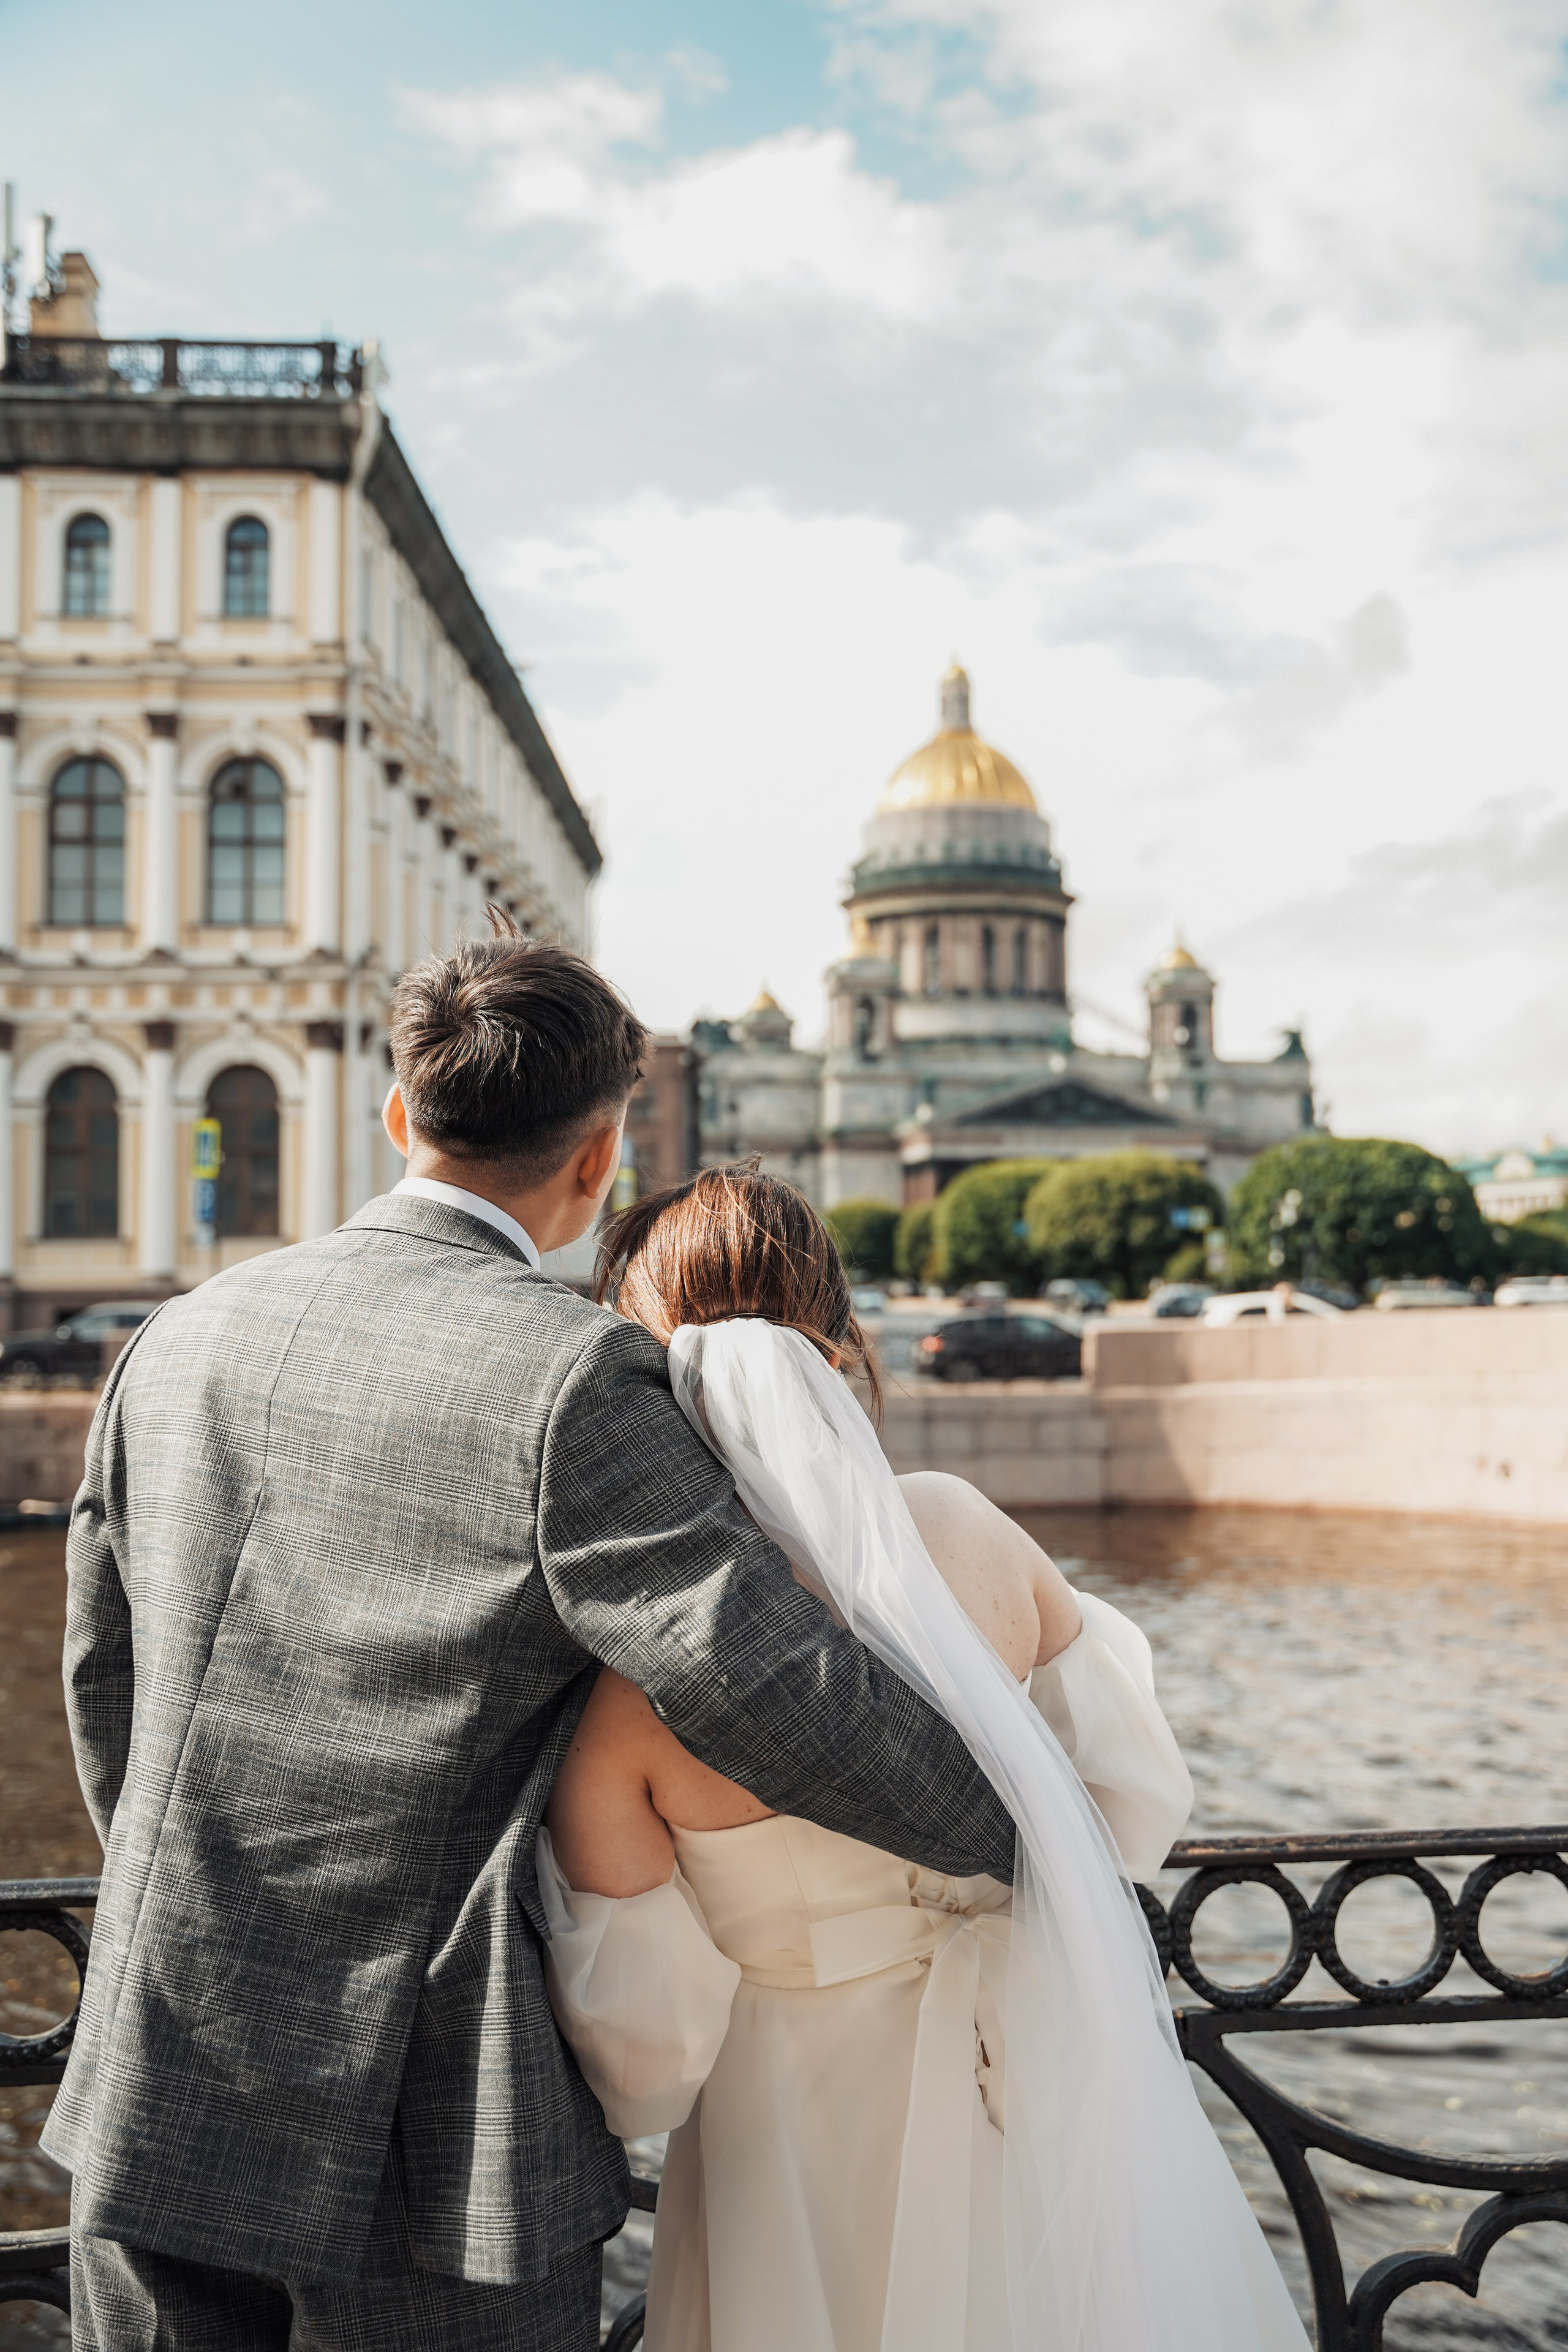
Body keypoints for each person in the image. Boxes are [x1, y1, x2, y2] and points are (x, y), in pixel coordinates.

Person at [50, 921, 1019, 2352]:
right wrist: (1018, 1835)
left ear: (400, 1111)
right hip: (430, 2141)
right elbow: (759, 1680)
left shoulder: (176, 1339)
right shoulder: (574, 1377)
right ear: (596, 1159)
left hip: (156, 2077)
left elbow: (105, 1683)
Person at [540, 1166, 1313, 2352]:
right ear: (843, 1347)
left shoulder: (629, 1696)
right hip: (1039, 2118)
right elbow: (1133, 1801)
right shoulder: (967, 1533)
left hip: (786, 2166)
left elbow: (647, 2069)